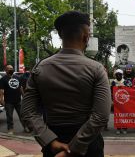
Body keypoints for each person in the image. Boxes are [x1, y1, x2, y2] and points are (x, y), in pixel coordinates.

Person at [21, 11, 111, 157]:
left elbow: (28, 112)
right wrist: (74, 149)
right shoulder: (96, 69)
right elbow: (101, 116)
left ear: (61, 35)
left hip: (53, 143)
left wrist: (50, 142)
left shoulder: (40, 68)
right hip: (88, 146)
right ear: (85, 36)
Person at [0, 65, 27, 134]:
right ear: (6, 70)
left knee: (22, 115)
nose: (11, 70)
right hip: (9, 101)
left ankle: (26, 127)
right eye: (9, 69)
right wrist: (1, 100)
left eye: (12, 68)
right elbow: (1, 90)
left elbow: (20, 88)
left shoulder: (18, 77)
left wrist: (24, 96)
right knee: (9, 116)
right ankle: (10, 129)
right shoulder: (3, 79)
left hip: (18, 100)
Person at [111, 69, 127, 135]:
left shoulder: (125, 82)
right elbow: (111, 91)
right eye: (117, 74)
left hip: (124, 101)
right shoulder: (113, 82)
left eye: (119, 74)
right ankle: (118, 128)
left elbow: (129, 90)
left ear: (122, 75)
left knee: (125, 115)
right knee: (118, 115)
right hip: (117, 102)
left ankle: (124, 128)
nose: (118, 75)